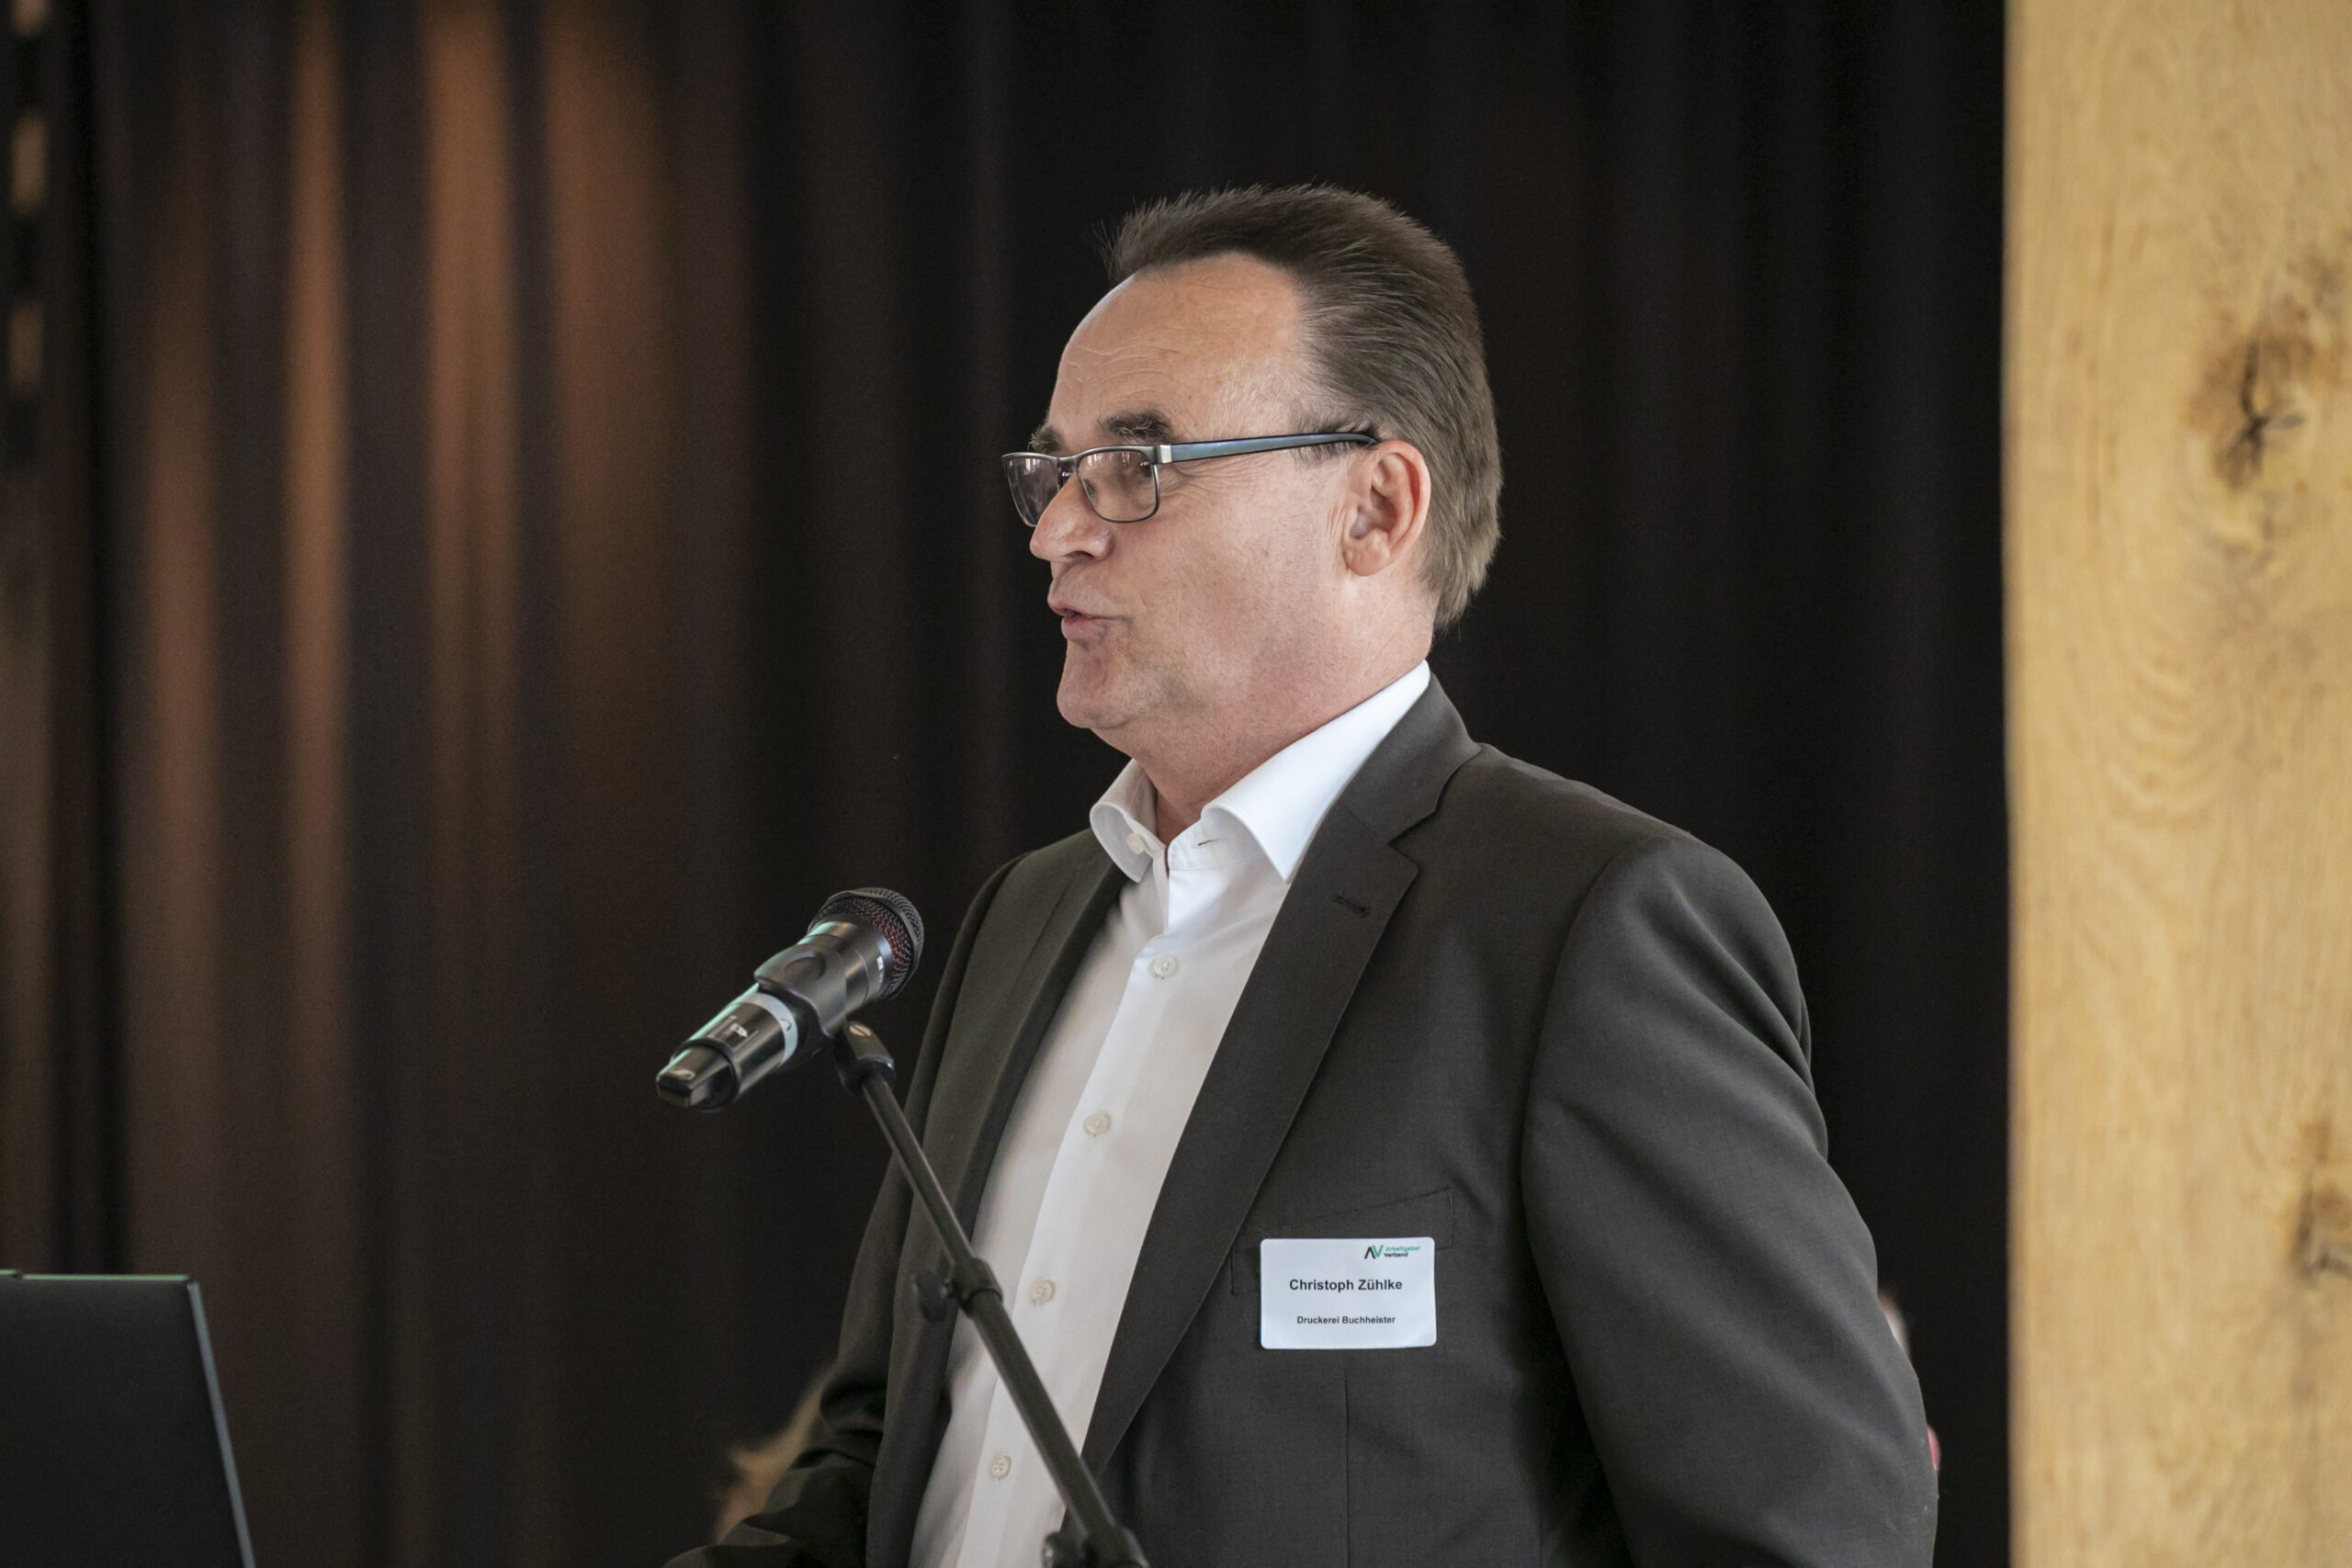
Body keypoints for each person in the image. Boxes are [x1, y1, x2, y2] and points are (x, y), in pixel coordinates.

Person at [670, 185, 1936, 1568]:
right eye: (1054, 471)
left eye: (1135, 466)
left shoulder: (1584, 926)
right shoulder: (1024, 919)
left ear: (1375, 509)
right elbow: (883, 1456)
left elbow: (1818, 1533)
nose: (1057, 532)